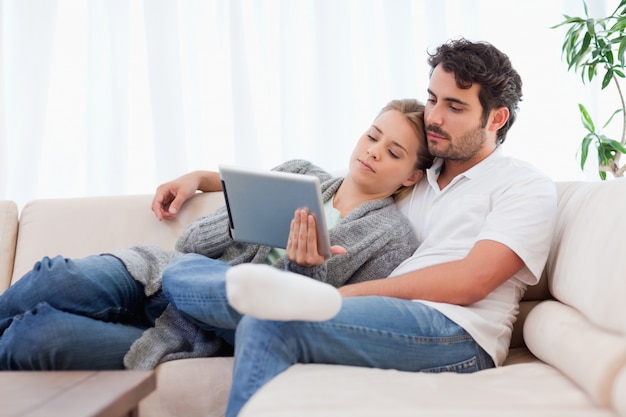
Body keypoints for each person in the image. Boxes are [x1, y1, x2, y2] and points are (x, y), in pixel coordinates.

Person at [151, 38, 558, 417]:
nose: (433, 116)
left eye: (455, 106)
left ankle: (230, 296)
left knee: (273, 316)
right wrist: (200, 178)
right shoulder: (419, 173)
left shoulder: (524, 185)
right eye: (433, 99)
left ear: (497, 118)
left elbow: (471, 281)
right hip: (384, 316)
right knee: (245, 301)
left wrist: (339, 296)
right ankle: (221, 293)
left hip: (458, 333)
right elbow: (323, 183)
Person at [0, 99, 433, 370]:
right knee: (55, 276)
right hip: (161, 275)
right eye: (373, 135)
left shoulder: (393, 240)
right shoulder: (301, 175)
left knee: (32, 337)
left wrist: (303, 267)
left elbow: (325, 324)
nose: (373, 150)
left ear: (412, 176)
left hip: (200, 330)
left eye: (393, 152)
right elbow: (189, 247)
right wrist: (243, 219)